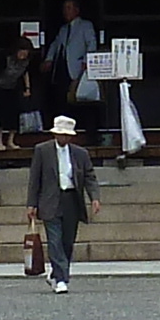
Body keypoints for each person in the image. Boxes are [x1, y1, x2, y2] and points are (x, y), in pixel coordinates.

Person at [26, 114, 98, 292]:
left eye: (67, 135)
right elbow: (35, 178)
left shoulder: (80, 154)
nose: (64, 138)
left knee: (67, 240)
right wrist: (31, 203)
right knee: (54, 240)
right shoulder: (42, 150)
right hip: (50, 199)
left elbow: (90, 176)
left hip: (72, 199)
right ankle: (61, 278)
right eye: (61, 134)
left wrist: (94, 197)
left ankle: (57, 272)